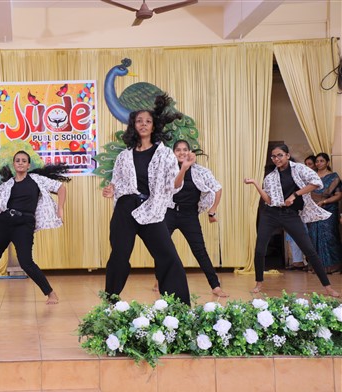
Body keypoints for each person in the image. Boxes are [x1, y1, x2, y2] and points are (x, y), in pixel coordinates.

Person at [102, 94, 191, 306]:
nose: (143, 124)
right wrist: (111, 189)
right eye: (139, 121)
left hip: (151, 209)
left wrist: (184, 169)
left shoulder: (165, 154)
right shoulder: (124, 156)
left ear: (153, 126)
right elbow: (117, 182)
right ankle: (110, 302)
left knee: (168, 256)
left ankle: (179, 306)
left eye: (148, 121)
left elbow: (174, 185)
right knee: (119, 256)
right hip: (125, 207)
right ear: (134, 125)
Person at [0, 150, 69, 305]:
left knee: (26, 262)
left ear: (28, 165)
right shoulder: (8, 184)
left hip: (24, 224)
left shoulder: (37, 179)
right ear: (14, 164)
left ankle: (51, 293)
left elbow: (61, 188)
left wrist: (60, 208)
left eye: (24, 160)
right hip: (4, 222)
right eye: (18, 160)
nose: (21, 163)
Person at [243, 144, 339, 297]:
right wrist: (255, 183)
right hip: (270, 214)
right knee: (260, 249)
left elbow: (316, 182)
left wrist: (295, 195)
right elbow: (268, 200)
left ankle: (327, 287)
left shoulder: (299, 169)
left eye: (280, 155)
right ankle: (259, 283)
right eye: (274, 156)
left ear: (287, 155)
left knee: (309, 250)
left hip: (290, 215)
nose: (276, 159)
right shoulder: (270, 177)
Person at [162, 139, 228, 297]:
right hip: (170, 212)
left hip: (189, 215)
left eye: (185, 149)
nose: (182, 152)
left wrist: (212, 210)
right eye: (178, 150)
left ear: (190, 152)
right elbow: (174, 186)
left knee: (200, 250)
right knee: (162, 248)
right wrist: (183, 168)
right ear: (173, 153)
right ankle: (160, 281)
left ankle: (215, 286)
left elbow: (217, 188)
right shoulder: (169, 170)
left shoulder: (201, 171)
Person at [307, 152, 342, 274]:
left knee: (329, 236)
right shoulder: (311, 176)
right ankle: (317, 267)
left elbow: (339, 195)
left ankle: (334, 266)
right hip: (313, 211)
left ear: (327, 162)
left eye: (321, 161)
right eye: (317, 161)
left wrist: (324, 201)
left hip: (329, 210)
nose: (318, 163)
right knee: (314, 237)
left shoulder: (333, 177)